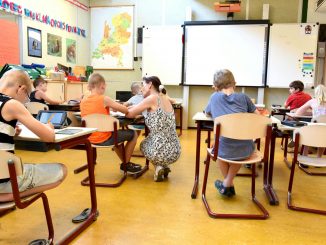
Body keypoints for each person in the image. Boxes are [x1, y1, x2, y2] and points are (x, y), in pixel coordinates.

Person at [0, 69, 67, 195]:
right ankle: (7, 196)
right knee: (62, 170)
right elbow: (49, 137)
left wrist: (10, 130)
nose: (25, 101)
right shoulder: (11, 104)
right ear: (22, 89)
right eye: (26, 98)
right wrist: (48, 127)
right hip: (4, 180)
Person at [204, 69, 259, 197]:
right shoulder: (244, 97)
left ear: (216, 86)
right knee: (238, 148)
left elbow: (207, 113)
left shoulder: (214, 97)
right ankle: (228, 184)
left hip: (221, 148)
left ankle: (227, 184)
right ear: (234, 83)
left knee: (218, 149)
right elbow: (258, 117)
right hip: (245, 149)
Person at [80, 73, 142, 174]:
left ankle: (126, 164)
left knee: (116, 133)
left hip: (88, 139)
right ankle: (126, 164)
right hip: (104, 138)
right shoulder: (104, 99)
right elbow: (124, 110)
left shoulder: (83, 100)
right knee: (133, 134)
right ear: (102, 86)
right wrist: (127, 108)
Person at [126, 76, 181, 182]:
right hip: (175, 150)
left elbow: (130, 114)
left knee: (143, 144)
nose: (142, 88)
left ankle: (158, 167)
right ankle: (164, 166)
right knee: (154, 140)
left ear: (150, 84)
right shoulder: (164, 97)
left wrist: (119, 108)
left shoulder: (152, 98)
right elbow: (138, 108)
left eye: (143, 85)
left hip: (160, 151)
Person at [295, 84, 326, 158]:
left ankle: (305, 156)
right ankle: (319, 157)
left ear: (316, 93)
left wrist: (312, 112)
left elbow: (298, 113)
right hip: (325, 129)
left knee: (307, 135)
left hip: (313, 127)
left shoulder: (312, 101)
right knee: (323, 138)